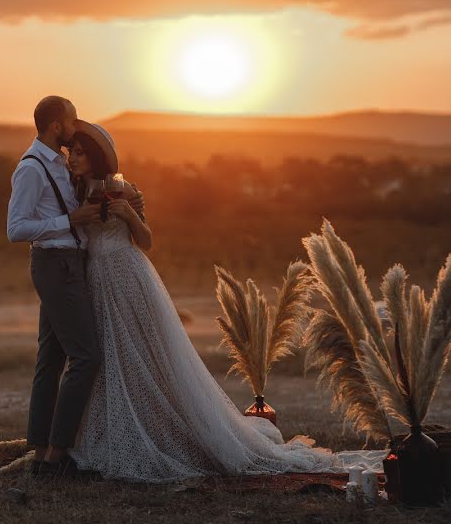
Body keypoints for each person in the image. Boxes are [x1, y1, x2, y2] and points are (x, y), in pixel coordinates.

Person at [64, 121, 361, 482]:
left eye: (80, 153)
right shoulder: (72, 189)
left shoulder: (122, 189)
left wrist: (129, 214)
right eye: (71, 152)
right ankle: (106, 433)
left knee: (144, 353)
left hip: (127, 274)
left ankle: (161, 430)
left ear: (96, 158)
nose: (73, 158)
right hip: (95, 278)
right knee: (108, 357)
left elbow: (146, 242)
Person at [6, 96, 143, 479]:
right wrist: (69, 220)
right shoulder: (32, 170)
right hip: (56, 265)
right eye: (70, 122)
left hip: (68, 264)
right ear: (55, 126)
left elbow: (92, 196)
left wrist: (128, 196)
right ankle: (58, 455)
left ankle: (40, 454)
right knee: (86, 358)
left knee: (50, 359)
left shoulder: (58, 165)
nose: (75, 128)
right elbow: (15, 229)